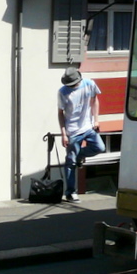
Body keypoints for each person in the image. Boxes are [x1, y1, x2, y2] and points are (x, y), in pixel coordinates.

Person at [58, 66, 105, 202]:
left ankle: (80, 155)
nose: (72, 86)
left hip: (88, 126)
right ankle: (70, 192)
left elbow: (95, 100)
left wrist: (96, 120)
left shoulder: (89, 84)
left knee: (100, 147)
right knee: (70, 163)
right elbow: (60, 113)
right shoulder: (63, 92)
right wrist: (63, 134)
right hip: (72, 130)